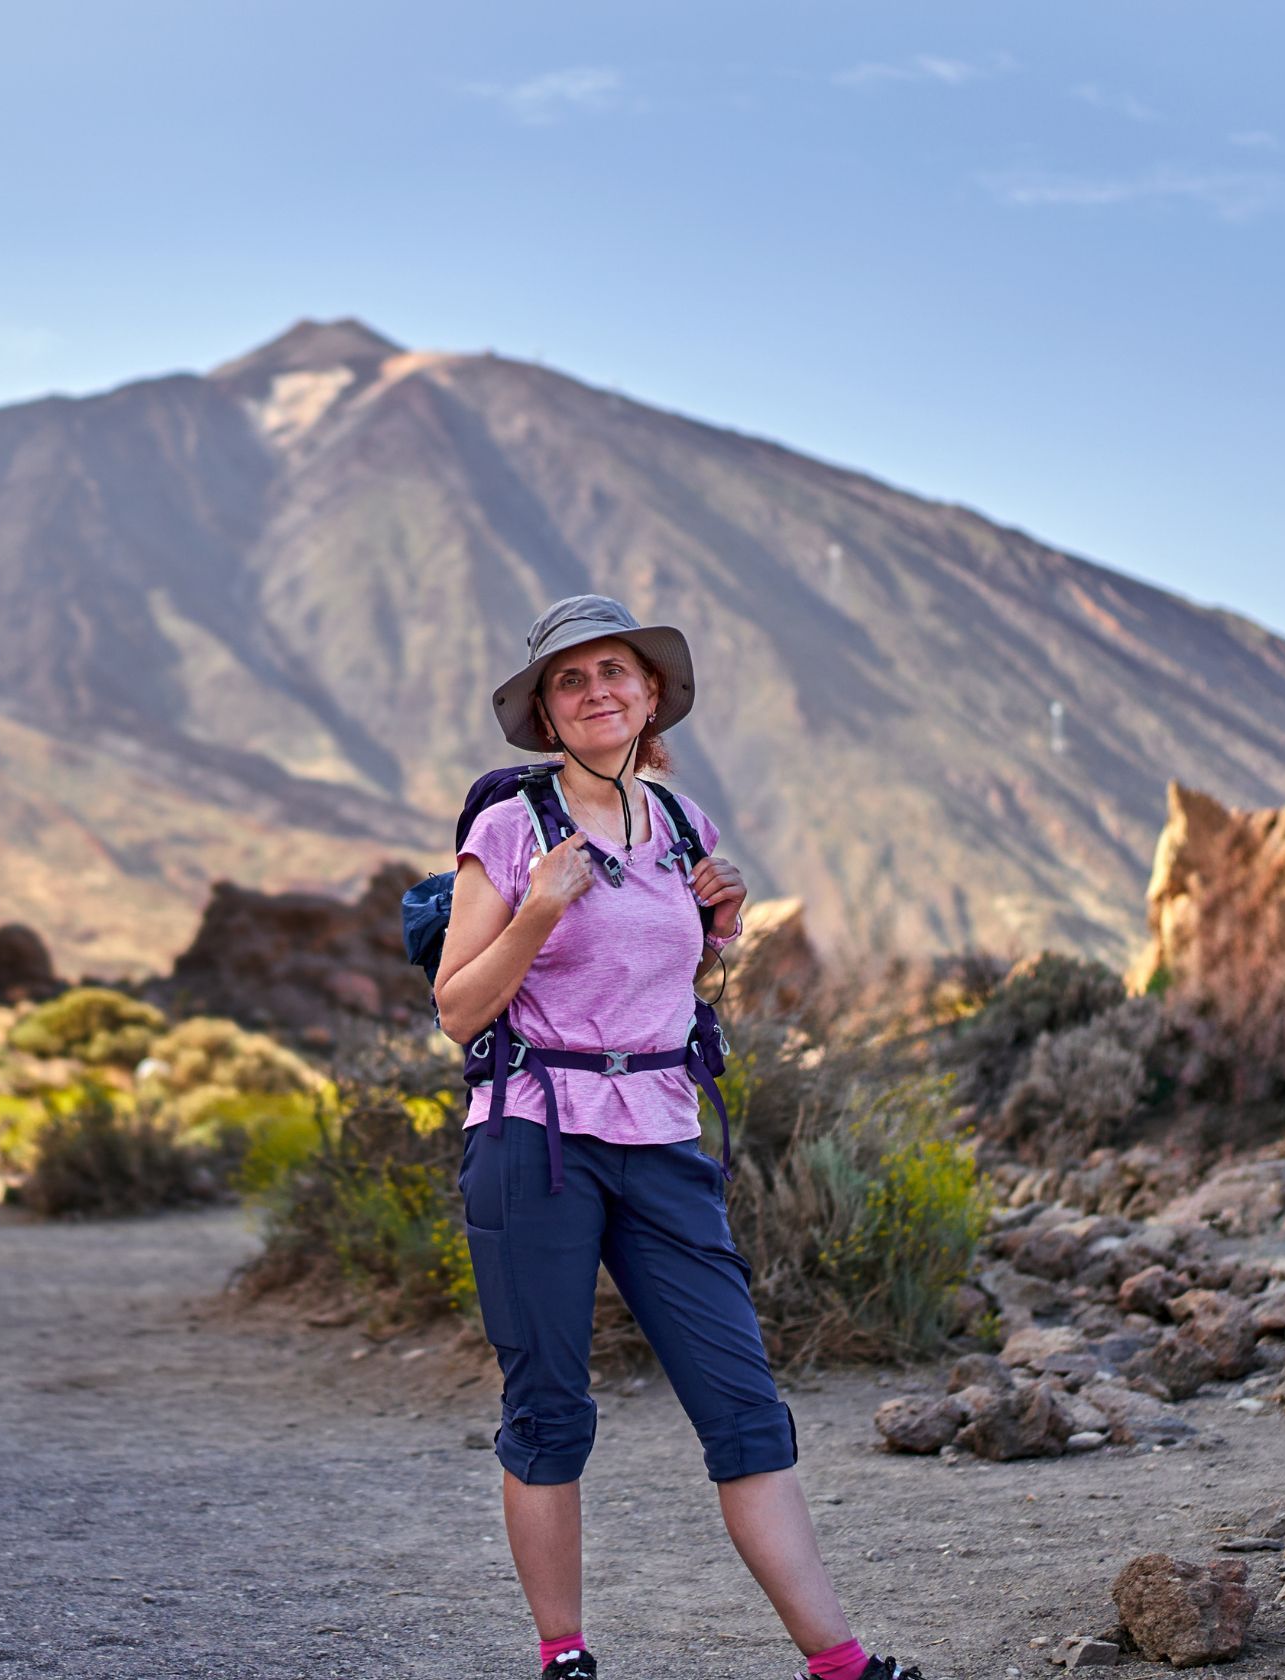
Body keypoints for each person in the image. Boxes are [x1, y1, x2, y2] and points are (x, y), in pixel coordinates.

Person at [433, 595, 916, 1680]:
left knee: (743, 1405)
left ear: (652, 695)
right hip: (536, 1139)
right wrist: (536, 913)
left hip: (662, 1137)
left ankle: (840, 1665)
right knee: (550, 1406)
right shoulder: (509, 830)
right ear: (547, 713)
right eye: (571, 679)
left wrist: (724, 927)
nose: (597, 690)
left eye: (617, 671)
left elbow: (668, 986)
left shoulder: (683, 824)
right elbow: (460, 1009)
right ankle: (565, 1657)